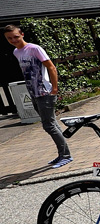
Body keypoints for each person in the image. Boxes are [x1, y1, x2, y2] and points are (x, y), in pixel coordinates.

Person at [3, 24, 71, 167]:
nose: (13, 40)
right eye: (9, 38)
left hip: (44, 92)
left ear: (22, 34)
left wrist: (54, 88)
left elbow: (51, 67)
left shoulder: (34, 49)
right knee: (51, 123)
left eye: (15, 36)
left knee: (49, 125)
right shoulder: (17, 52)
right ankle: (63, 154)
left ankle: (65, 155)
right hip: (33, 92)